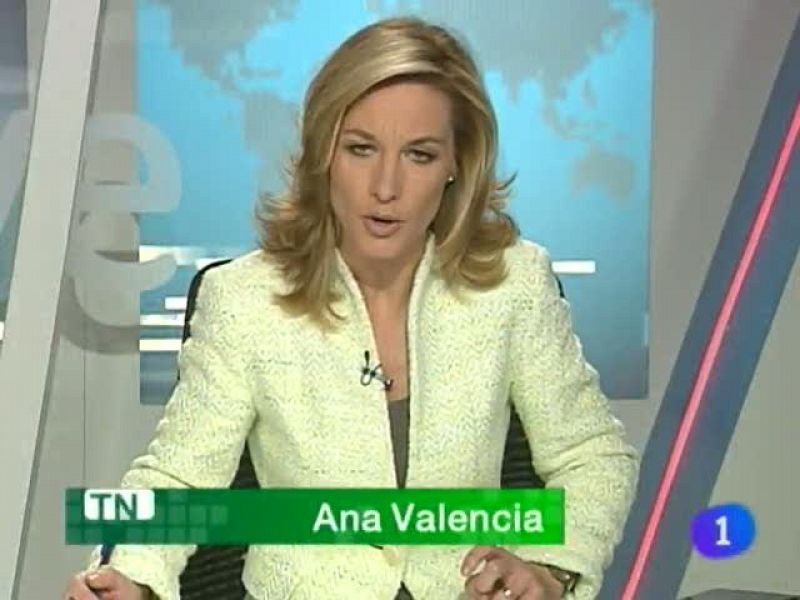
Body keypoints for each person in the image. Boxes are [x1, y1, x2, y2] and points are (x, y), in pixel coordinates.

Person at [64, 16, 638, 600]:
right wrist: (130, 576)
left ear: (456, 164)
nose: (385, 187)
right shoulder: (245, 300)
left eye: (419, 155)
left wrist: (551, 569)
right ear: (324, 154)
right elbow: (178, 477)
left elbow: (594, 456)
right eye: (361, 149)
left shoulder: (514, 285)